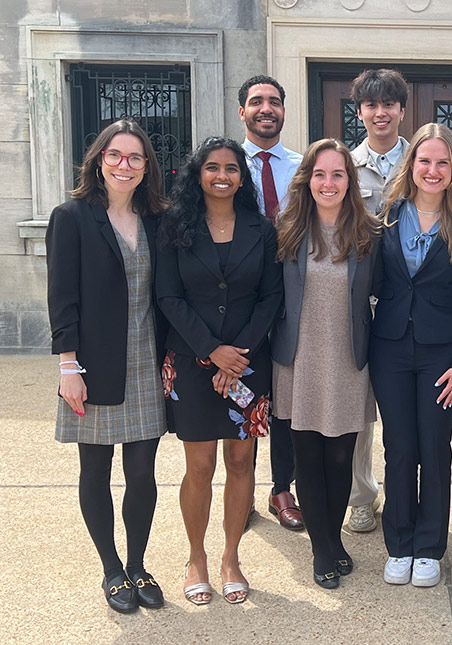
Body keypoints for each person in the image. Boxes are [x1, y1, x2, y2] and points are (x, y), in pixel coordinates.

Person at [46, 119, 169, 613]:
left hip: (146, 362)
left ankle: (138, 564)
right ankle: (112, 570)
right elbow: (62, 297)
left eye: (135, 158)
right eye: (116, 155)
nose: (125, 164)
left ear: (146, 167)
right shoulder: (71, 216)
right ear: (99, 159)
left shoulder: (157, 219)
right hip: (93, 364)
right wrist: (67, 366)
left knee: (141, 472)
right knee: (95, 470)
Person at [157, 137, 283, 605]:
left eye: (231, 168)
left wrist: (239, 353)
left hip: (248, 364)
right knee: (200, 465)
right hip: (192, 362)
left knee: (239, 462)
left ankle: (231, 556)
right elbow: (168, 296)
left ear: (242, 177)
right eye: (212, 168)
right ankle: (196, 556)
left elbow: (272, 297)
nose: (222, 176)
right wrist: (213, 351)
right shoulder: (175, 226)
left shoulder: (262, 228)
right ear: (198, 174)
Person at [370, 123, 452, 588]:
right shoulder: (387, 216)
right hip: (389, 349)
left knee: (434, 449)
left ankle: (430, 545)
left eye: (442, 162)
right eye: (424, 161)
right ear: (410, 166)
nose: (432, 170)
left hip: (442, 356)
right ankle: (399, 542)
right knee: (398, 449)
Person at [270, 138, 380, 588]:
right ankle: (322, 552)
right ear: (307, 179)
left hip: (349, 361)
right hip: (298, 362)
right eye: (320, 174)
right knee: (307, 459)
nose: (328, 182)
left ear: (350, 181)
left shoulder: (370, 232)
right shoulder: (286, 227)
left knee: (340, 459)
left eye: (337, 174)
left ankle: (333, 541)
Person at [239, 74, 305, 532]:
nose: (267, 109)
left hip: (290, 295)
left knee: (282, 397)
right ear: (242, 110)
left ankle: (283, 487)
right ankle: (238, 492)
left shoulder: (303, 168)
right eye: (257, 101)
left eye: (275, 102)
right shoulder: (222, 164)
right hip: (239, 298)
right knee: (240, 394)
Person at [346, 67, 411, 533]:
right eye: (372, 104)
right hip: (358, 301)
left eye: (389, 104)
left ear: (402, 110)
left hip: (408, 301)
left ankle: (405, 493)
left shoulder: (424, 161)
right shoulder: (344, 166)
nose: (380, 112)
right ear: (360, 111)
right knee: (358, 408)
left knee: (404, 409)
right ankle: (360, 496)